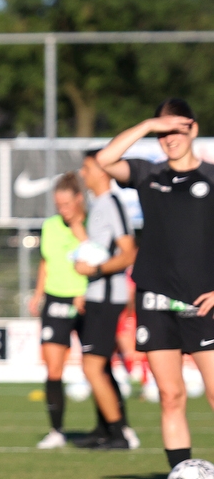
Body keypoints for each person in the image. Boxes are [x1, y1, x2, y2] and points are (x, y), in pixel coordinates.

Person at [96, 98, 214, 470]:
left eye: (175, 130)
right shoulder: (149, 173)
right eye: (162, 133)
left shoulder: (212, 177)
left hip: (203, 302)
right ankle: (182, 478)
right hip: (155, 300)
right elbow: (105, 160)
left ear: (193, 129)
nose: (169, 139)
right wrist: (148, 126)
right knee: (170, 395)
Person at [70, 151, 140, 449]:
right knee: (101, 366)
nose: (83, 173)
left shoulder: (112, 203)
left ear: (101, 171)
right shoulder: (98, 205)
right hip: (97, 295)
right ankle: (104, 430)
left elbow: (128, 252)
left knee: (92, 366)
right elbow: (100, 250)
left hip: (110, 298)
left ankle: (119, 433)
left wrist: (95, 270)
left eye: (87, 168)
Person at [28, 172, 87, 449]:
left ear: (79, 200)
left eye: (67, 204)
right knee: (53, 369)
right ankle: (56, 431)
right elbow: (45, 262)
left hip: (85, 301)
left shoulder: (90, 225)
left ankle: (114, 427)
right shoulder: (50, 226)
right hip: (54, 300)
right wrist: (38, 295)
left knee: (97, 367)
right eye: (58, 205)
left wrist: (84, 291)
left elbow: (98, 258)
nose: (62, 210)